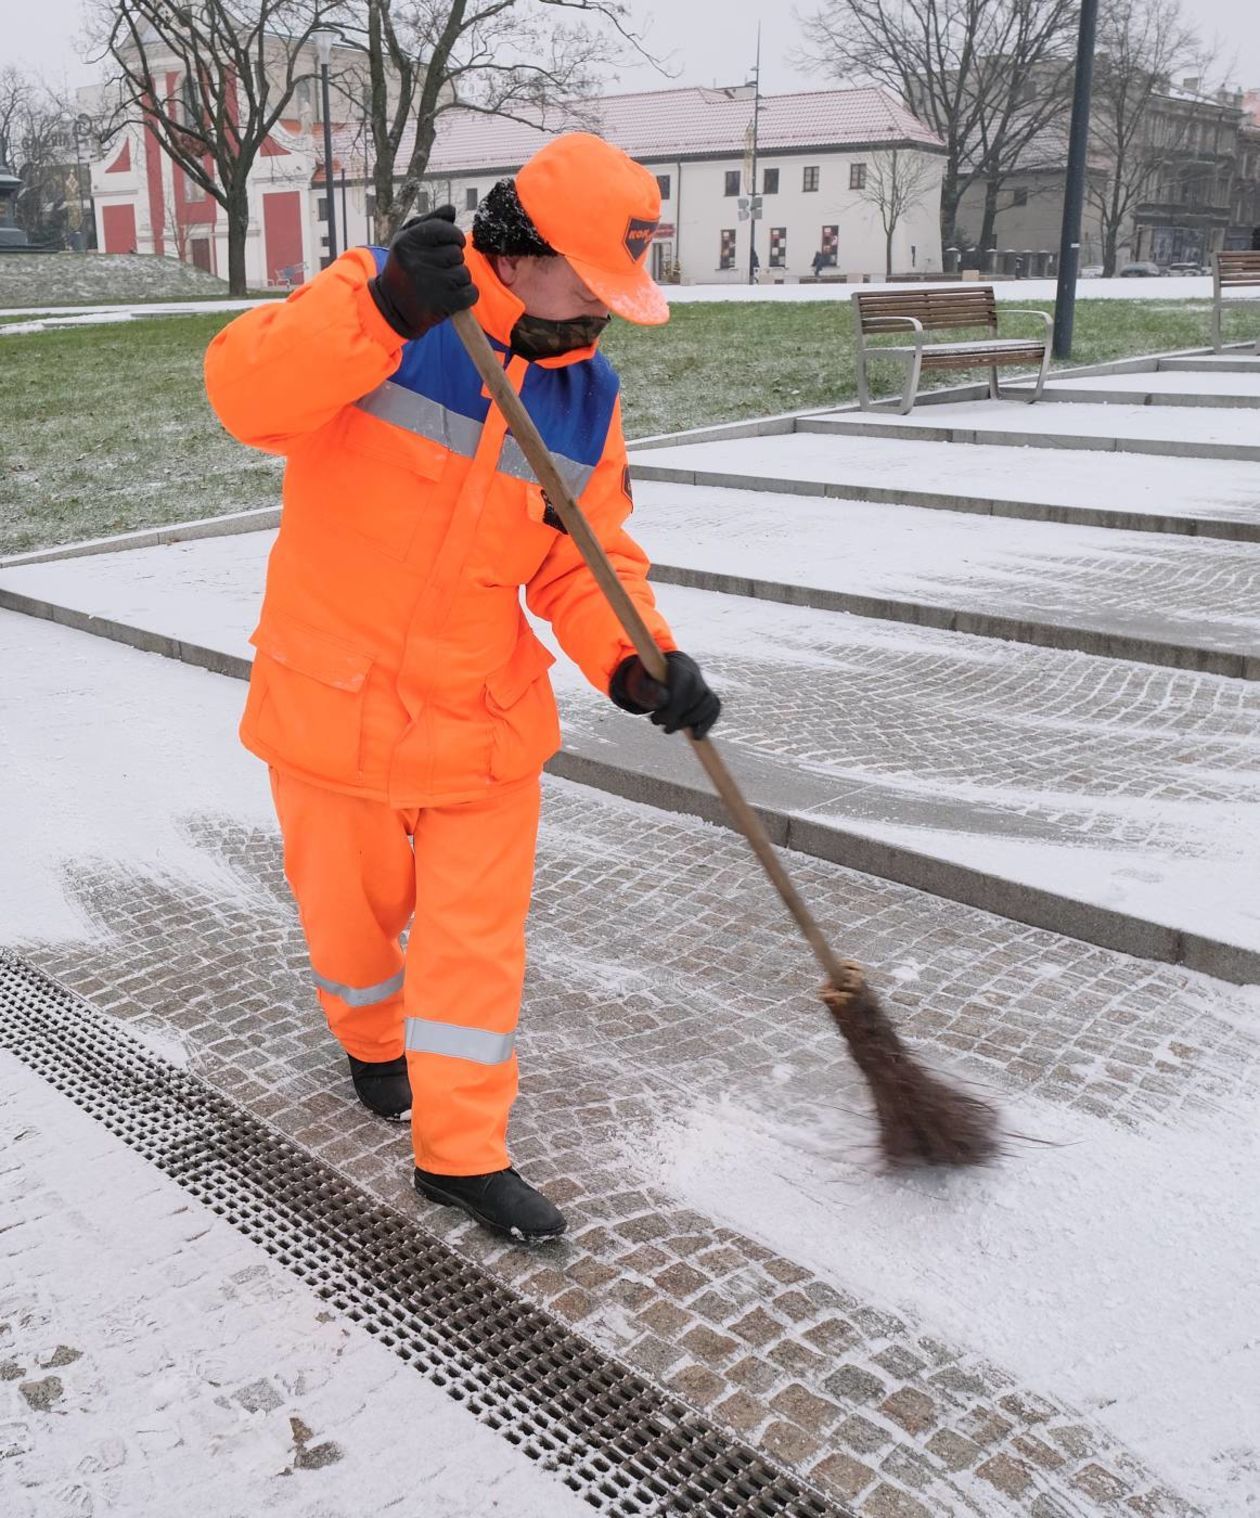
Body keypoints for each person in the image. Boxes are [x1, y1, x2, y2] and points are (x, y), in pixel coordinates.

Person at [204, 133, 721, 1243]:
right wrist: (382, 311)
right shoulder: (388, 307)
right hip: (332, 709)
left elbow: (585, 553)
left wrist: (638, 657)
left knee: (474, 950)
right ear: (522, 249)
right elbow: (245, 397)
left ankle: (461, 1152)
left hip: (482, 725)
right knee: (353, 929)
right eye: (588, 283)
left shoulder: (587, 395)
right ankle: (370, 1037)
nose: (601, 311)